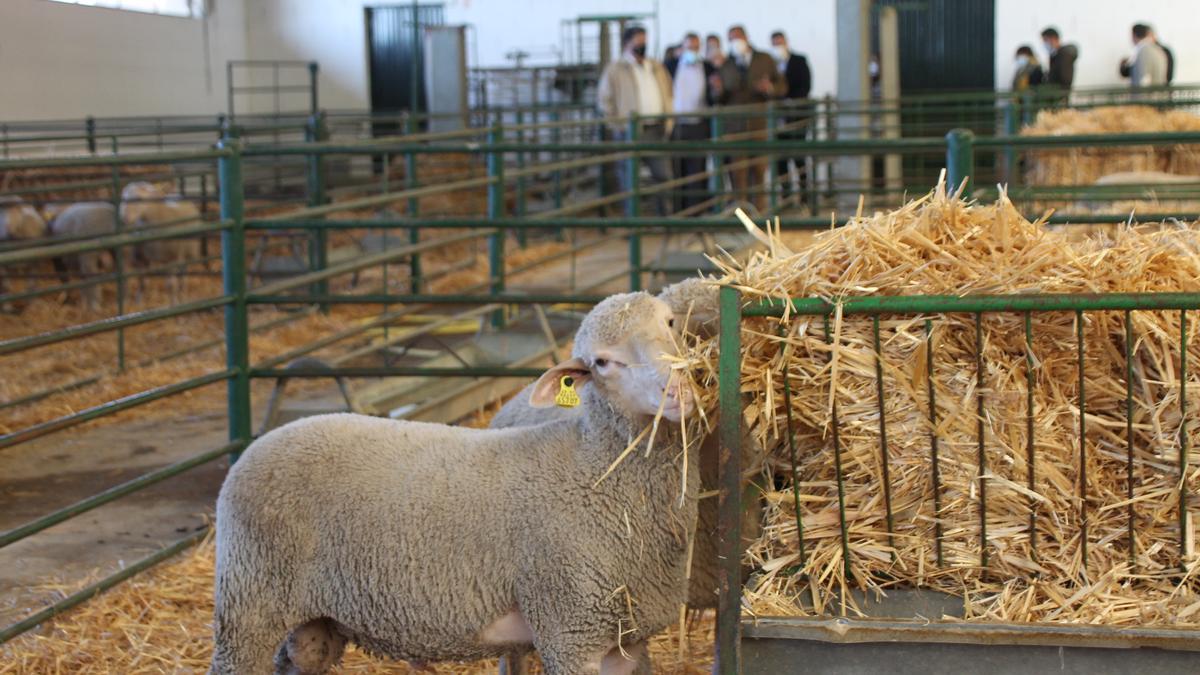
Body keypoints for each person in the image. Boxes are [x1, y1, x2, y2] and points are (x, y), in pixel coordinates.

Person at [597, 25, 674, 215]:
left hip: (656, 129)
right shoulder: (616, 69)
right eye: (638, 42)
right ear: (626, 44)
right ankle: (634, 224)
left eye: (644, 42)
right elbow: (604, 100)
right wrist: (618, 125)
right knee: (629, 179)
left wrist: (669, 118)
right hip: (630, 132)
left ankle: (666, 220)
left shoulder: (655, 67)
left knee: (663, 176)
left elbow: (668, 92)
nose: (643, 46)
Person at [711, 25, 786, 211]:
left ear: (746, 37)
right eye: (731, 39)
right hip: (734, 127)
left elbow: (781, 86)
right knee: (738, 172)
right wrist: (717, 89)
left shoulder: (765, 59)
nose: (735, 42)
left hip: (759, 123)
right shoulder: (726, 64)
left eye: (737, 37)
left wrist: (769, 88)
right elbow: (718, 97)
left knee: (760, 170)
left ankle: (759, 212)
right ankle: (742, 214)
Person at [667, 32, 717, 212]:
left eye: (696, 48)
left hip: (699, 123)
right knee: (676, 167)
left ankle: (696, 210)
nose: (692, 51)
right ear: (682, 47)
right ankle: (679, 209)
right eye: (689, 47)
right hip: (676, 123)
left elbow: (715, 94)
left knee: (697, 169)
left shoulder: (707, 67)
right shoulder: (670, 66)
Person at [770, 30, 812, 208]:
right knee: (781, 159)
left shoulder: (799, 60)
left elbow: (806, 85)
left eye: (780, 42)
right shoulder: (771, 64)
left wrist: (788, 99)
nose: (778, 46)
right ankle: (785, 195)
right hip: (778, 118)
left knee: (798, 156)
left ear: (786, 42)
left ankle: (804, 195)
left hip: (796, 115)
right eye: (775, 44)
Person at [1120, 24, 1169, 89]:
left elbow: (1143, 78)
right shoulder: (1157, 49)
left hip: (1147, 96)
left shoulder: (1144, 51)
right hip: (1156, 94)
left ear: (1133, 35)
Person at [1041, 27, 1079, 93]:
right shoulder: (1055, 55)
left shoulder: (1064, 55)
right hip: (1054, 94)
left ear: (1053, 39)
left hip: (1058, 95)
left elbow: (1065, 79)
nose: (1044, 44)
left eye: (1045, 40)